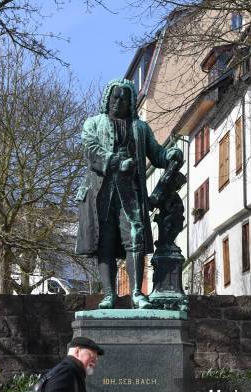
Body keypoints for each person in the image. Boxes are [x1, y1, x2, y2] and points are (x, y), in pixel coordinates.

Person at [74, 78, 183, 309]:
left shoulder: (140, 128)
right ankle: (109, 294)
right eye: (115, 97)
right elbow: (91, 151)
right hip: (101, 193)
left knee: (135, 237)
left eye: (124, 98)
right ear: (107, 99)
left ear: (131, 102)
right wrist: (115, 162)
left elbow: (157, 154)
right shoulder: (92, 124)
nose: (119, 101)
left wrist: (170, 154)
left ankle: (136, 293)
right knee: (105, 241)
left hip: (131, 194)